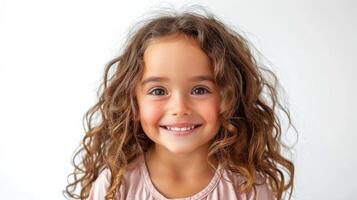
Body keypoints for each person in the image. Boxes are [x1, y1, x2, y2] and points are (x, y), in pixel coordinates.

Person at [64, 7, 295, 200]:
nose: (180, 107)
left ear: (229, 98)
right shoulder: (115, 186)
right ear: (132, 104)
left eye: (200, 90)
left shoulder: (247, 187)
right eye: (158, 91)